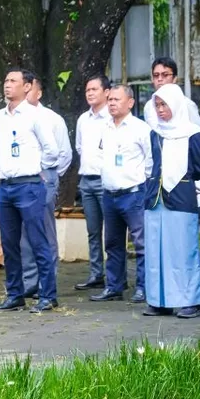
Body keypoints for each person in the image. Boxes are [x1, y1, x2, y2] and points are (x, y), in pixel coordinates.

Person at [0, 69, 59, 313]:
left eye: (13, 81)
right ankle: (15, 294)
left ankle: (48, 295)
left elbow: (51, 150)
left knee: (38, 240)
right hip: (6, 186)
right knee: (10, 243)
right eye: (6, 81)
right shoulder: (0, 116)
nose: (7, 85)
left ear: (27, 86)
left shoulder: (34, 115)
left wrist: (38, 169)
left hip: (29, 185)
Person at [144, 84, 200, 318]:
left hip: (181, 198)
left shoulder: (193, 134)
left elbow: (199, 168)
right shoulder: (155, 133)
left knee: (183, 251)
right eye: (157, 105)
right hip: (155, 200)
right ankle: (160, 300)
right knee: (157, 251)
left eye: (164, 104)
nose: (160, 109)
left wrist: (184, 181)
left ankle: (191, 300)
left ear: (176, 105)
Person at [88, 85, 149, 303]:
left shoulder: (140, 128)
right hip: (109, 194)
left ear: (130, 103)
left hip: (133, 194)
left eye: (117, 99)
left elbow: (150, 161)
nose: (112, 103)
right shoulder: (105, 127)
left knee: (142, 243)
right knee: (112, 243)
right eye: (110, 99)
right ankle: (114, 286)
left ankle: (143, 287)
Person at [20, 77, 72, 298]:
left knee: (44, 228)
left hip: (44, 176)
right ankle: (29, 282)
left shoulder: (51, 119)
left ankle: (46, 283)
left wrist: (50, 176)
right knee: (25, 232)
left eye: (28, 89)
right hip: (22, 178)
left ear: (38, 93)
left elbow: (65, 154)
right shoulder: (14, 117)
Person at [74, 74, 111, 291]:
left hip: (107, 182)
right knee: (93, 231)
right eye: (87, 90)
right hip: (86, 181)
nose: (90, 93)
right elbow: (80, 148)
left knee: (113, 233)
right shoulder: (82, 119)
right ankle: (96, 274)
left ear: (107, 92)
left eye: (94, 89)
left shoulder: (112, 117)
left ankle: (116, 276)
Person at [143, 57, 200, 130]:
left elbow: (197, 134)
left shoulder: (187, 105)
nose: (160, 79)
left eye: (165, 75)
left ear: (174, 79)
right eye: (156, 75)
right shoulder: (149, 106)